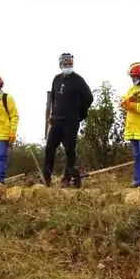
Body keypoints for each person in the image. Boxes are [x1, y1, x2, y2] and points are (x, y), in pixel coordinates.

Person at [43, 52, 94, 188]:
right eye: (65, 64)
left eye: (69, 64)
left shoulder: (78, 80)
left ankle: (67, 177)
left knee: (69, 148)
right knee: (49, 148)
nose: (67, 66)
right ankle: (46, 178)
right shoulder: (56, 79)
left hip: (71, 121)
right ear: (60, 65)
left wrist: (79, 113)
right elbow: (54, 98)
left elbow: (89, 98)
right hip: (57, 120)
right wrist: (52, 115)